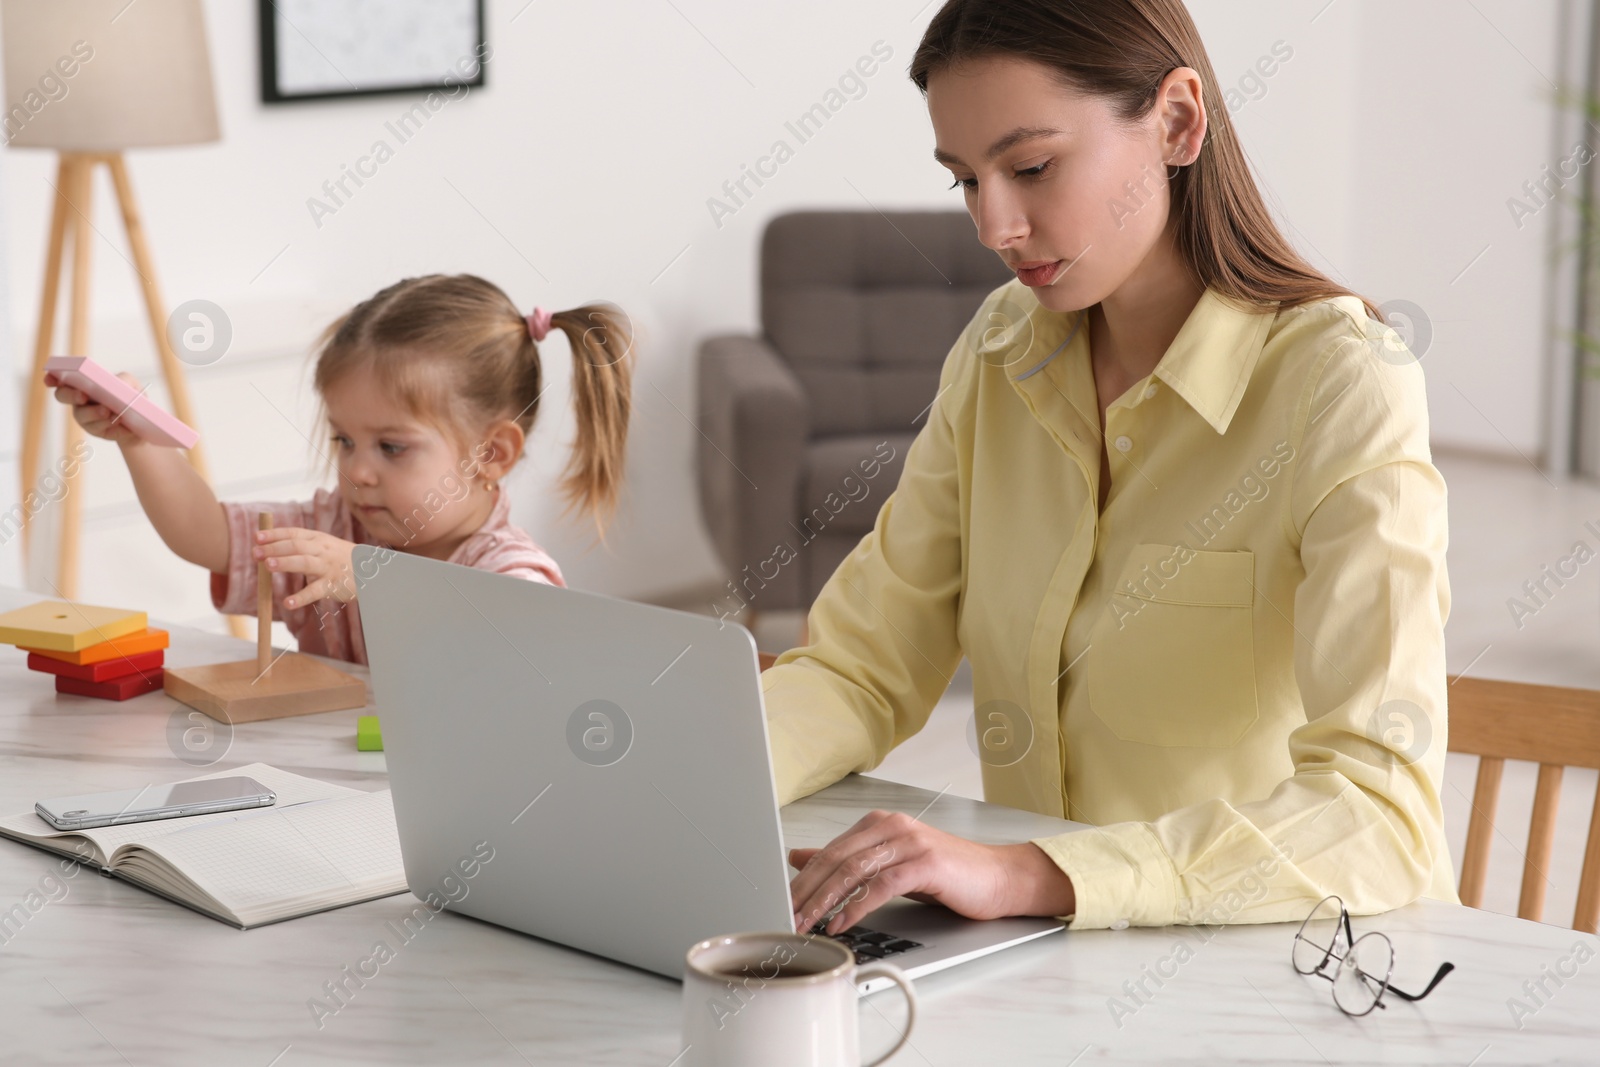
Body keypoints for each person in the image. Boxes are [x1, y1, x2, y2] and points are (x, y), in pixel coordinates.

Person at [773, 0, 1455, 936]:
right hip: (1038, 964)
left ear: (1177, 121)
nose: (994, 226)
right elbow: (863, 666)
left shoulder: (1340, 384)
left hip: (1278, 970)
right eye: (965, 181)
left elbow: (1381, 814)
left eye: (1033, 167)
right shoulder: (998, 352)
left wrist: (1031, 873)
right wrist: (679, 779)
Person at [51, 274, 635, 665]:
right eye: (344, 439)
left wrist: (381, 581)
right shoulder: (332, 532)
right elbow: (205, 533)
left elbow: (522, 646)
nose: (357, 470)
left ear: (492, 454)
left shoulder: (509, 569)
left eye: (392, 447)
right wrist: (139, 442)